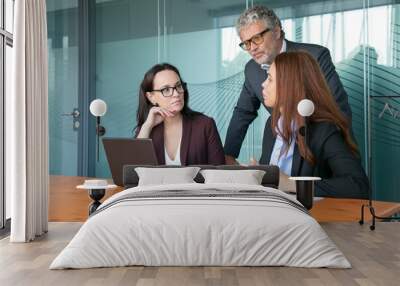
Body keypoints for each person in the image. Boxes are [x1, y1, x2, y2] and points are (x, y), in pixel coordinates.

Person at [224, 5, 352, 165]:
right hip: (279, 153)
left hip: (320, 157)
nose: (252, 48)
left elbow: (338, 109)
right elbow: (243, 112)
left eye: (256, 38)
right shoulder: (252, 69)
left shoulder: (314, 56)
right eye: (246, 43)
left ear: (276, 31)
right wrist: (228, 155)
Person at [259, 51, 368, 198]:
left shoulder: (324, 129)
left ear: (289, 85)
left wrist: (292, 184)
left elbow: (358, 186)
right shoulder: (272, 124)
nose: (263, 84)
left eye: (270, 79)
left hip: (307, 217)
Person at [135, 63, 225, 165]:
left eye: (178, 86)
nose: (176, 94)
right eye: (166, 89)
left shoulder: (205, 125)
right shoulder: (146, 129)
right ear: (151, 97)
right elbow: (134, 172)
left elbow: (219, 172)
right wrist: (147, 126)